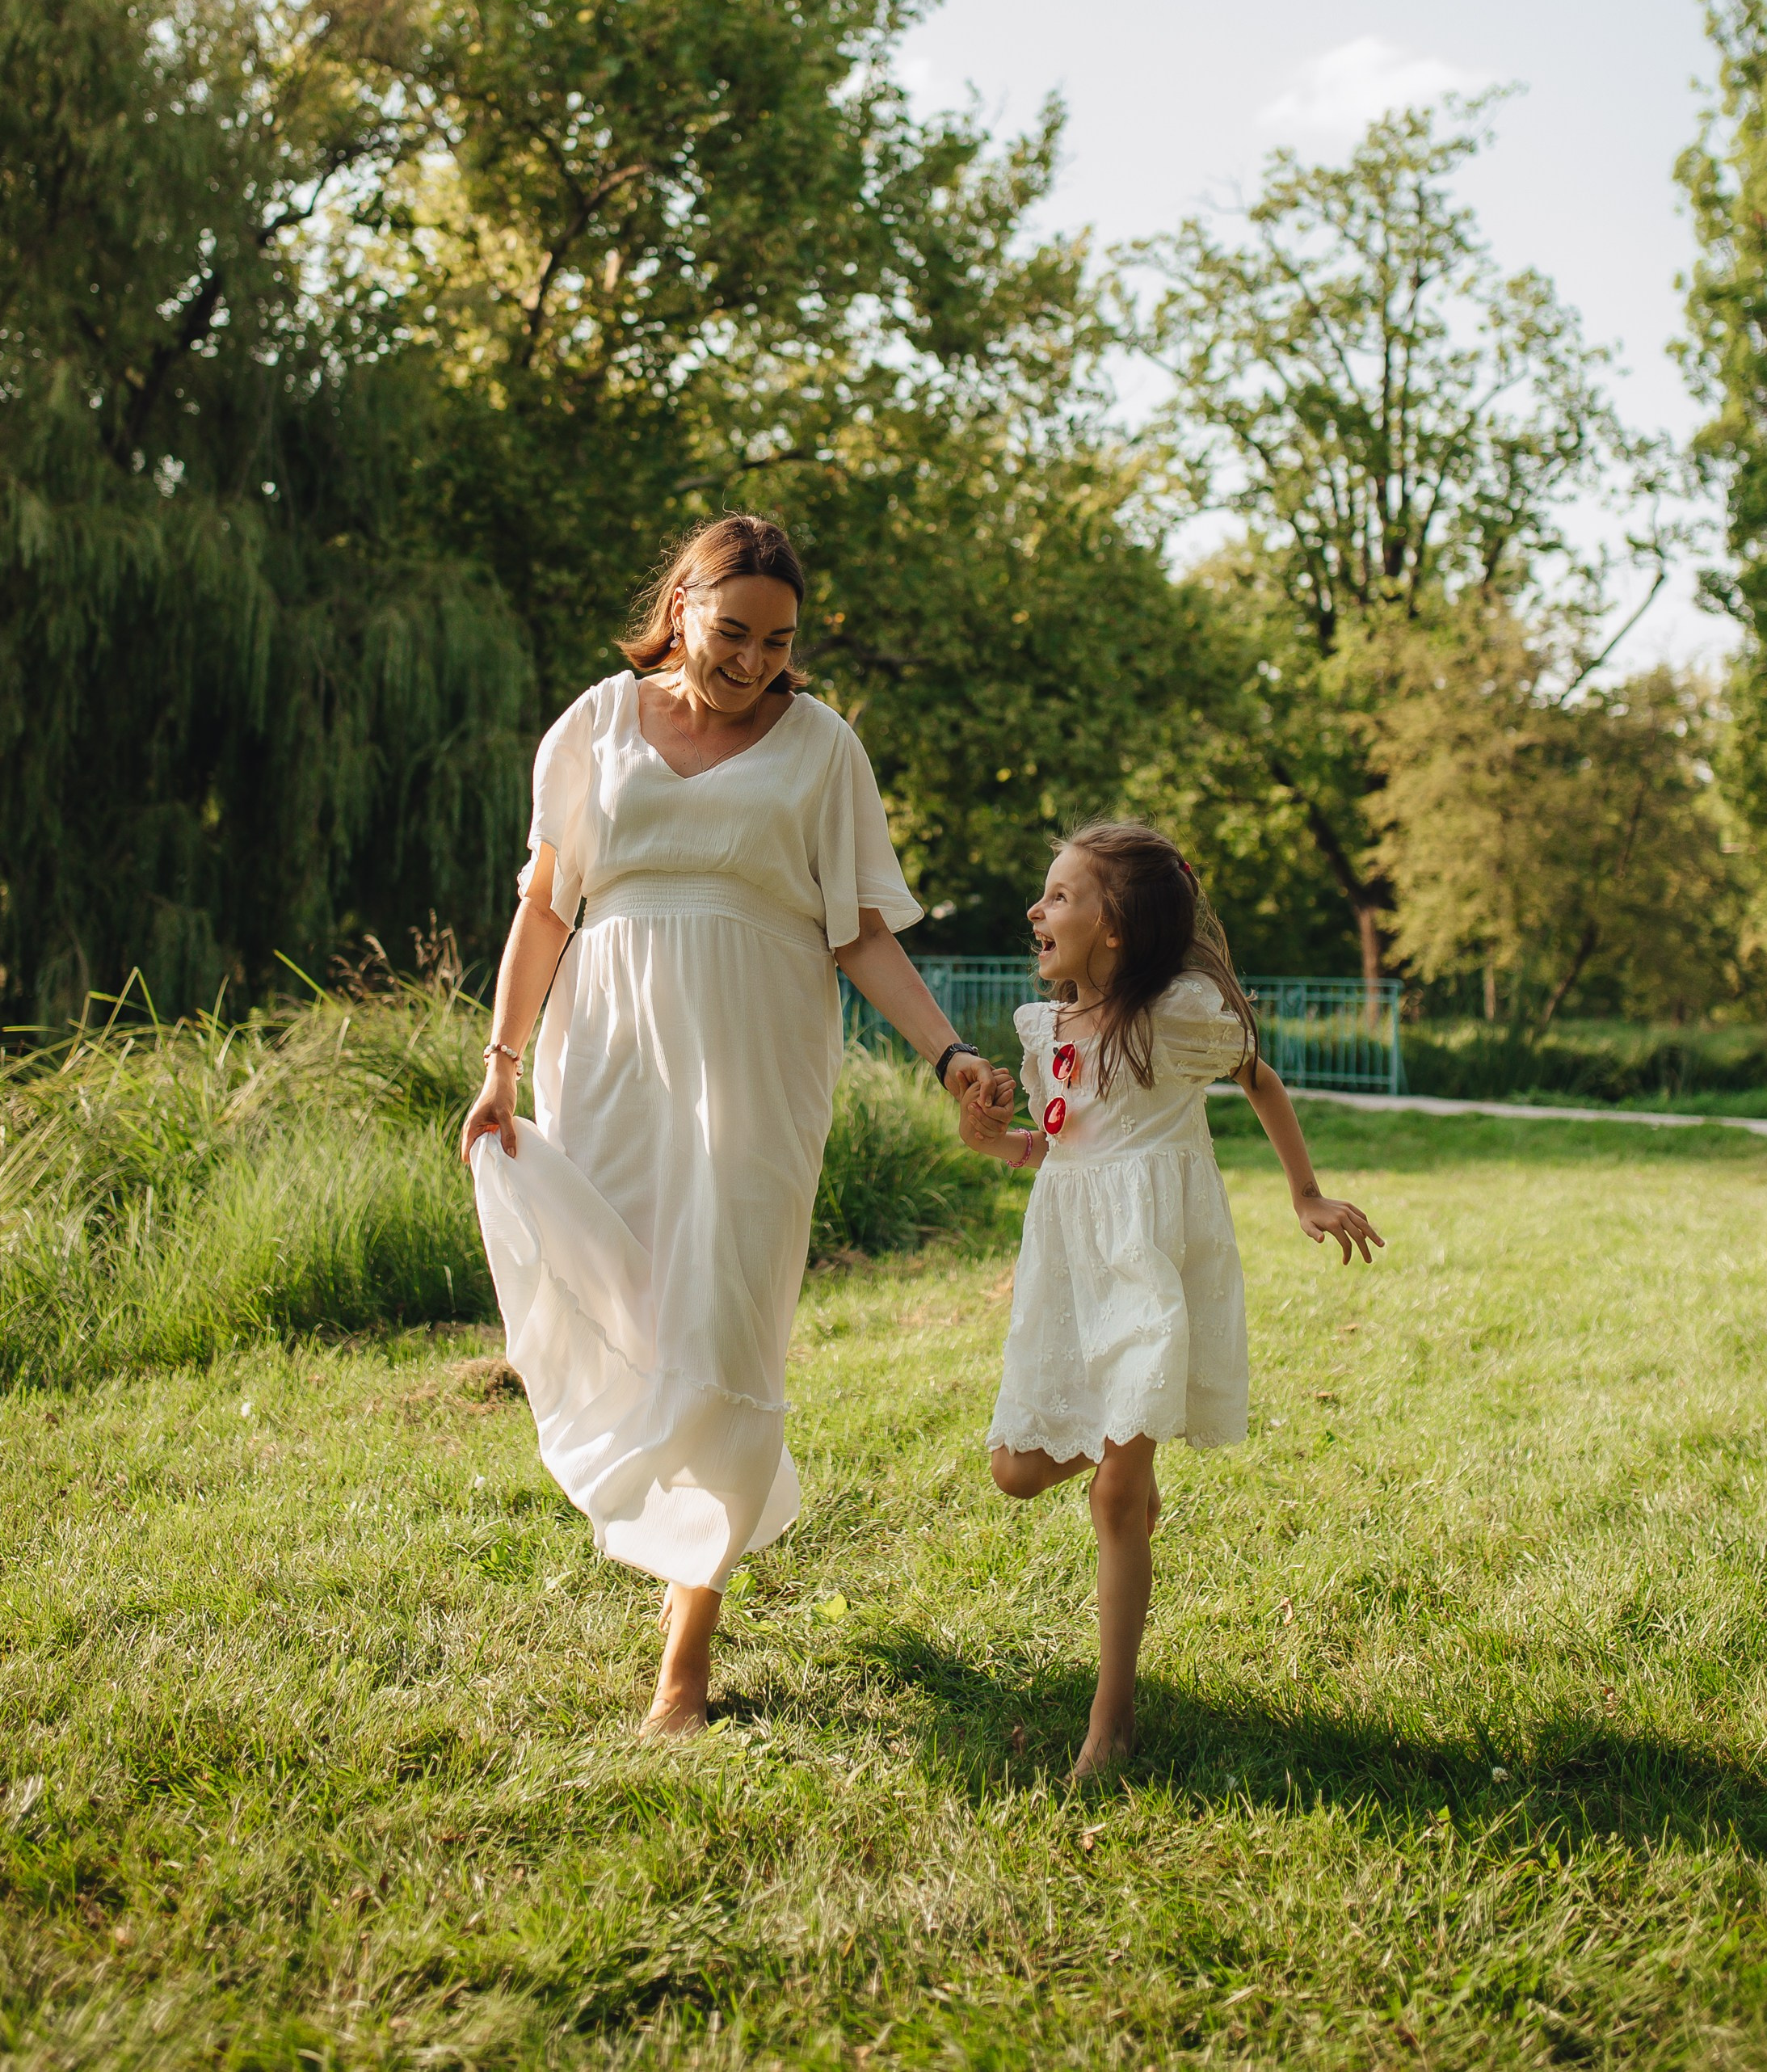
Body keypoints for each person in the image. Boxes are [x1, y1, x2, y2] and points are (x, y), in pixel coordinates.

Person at [461, 514, 1008, 1737]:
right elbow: (547, 911)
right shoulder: (595, 724)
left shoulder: (822, 750)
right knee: (630, 1308)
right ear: (683, 604)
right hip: (606, 1052)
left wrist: (952, 1056)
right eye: (731, 633)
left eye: (779, 641)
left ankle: (685, 1662)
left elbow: (861, 929)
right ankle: (658, 1527)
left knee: (729, 1320)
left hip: (760, 1058)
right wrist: (499, 1064)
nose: (754, 662)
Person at [955, 821, 1384, 1779]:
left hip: (1155, 1261)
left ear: (1115, 925)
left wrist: (1304, 1192)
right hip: (1071, 1269)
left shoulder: (1180, 1015)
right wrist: (989, 1138)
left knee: (1110, 1493)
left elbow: (1258, 1080)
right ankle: (1127, 1464)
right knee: (1015, 1471)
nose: (1037, 908)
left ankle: (1110, 1723)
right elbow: (1049, 1146)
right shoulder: (1047, 1031)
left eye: (1060, 894)